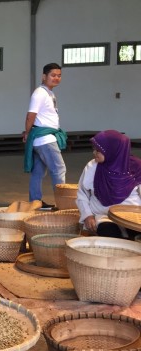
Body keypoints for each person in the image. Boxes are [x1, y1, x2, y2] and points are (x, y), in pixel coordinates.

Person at [77, 130, 141, 239]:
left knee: (135, 234)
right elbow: (82, 194)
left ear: (113, 150)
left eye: (98, 150)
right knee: (109, 233)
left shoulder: (136, 166)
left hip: (133, 216)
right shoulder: (92, 167)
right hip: (103, 216)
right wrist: (88, 215)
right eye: (94, 149)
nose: (94, 153)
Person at [23, 63, 67, 209]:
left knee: (38, 172)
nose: (56, 78)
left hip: (43, 139)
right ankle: (63, 203)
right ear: (44, 76)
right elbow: (31, 116)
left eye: (59, 75)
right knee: (59, 169)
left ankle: (35, 202)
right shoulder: (40, 93)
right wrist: (27, 133)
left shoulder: (49, 92)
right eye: (53, 75)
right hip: (45, 140)